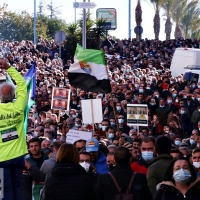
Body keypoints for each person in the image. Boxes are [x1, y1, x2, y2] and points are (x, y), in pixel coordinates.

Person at [0, 59, 27, 200]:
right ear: (13, 95)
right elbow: (22, 85)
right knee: (18, 187)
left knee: (5, 191)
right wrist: (9, 68)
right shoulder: (19, 106)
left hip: (1, 158)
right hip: (18, 156)